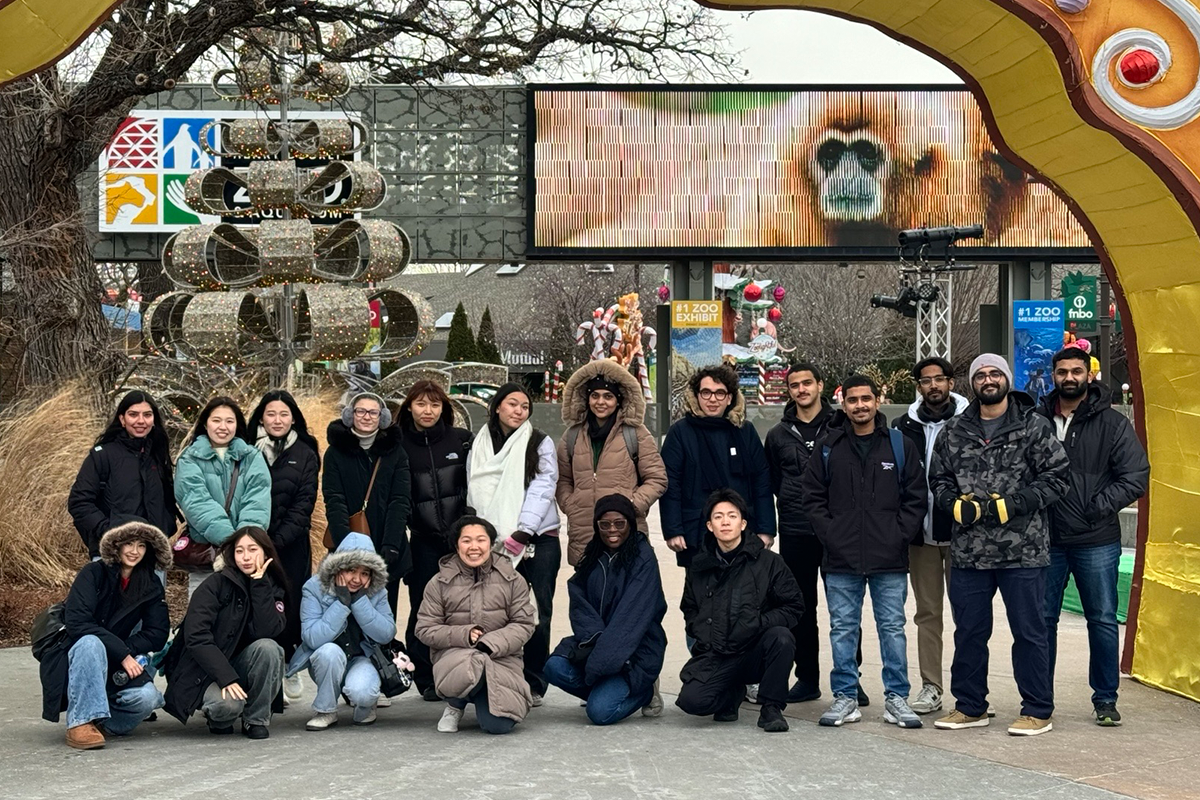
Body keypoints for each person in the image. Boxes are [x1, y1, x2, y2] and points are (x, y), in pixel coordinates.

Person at [929, 354, 1070, 737]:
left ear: (1007, 379)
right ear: (972, 384)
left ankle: (1037, 708)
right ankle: (970, 705)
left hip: (1023, 551)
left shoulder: (1034, 427)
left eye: (995, 373)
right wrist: (952, 504)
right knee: (969, 632)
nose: (988, 380)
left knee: (1029, 631)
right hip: (970, 552)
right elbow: (938, 479)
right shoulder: (953, 430)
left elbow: (1058, 478)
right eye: (980, 375)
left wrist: (1017, 503)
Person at [801, 375, 927, 729]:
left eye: (866, 399)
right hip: (841, 558)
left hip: (889, 558)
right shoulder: (828, 447)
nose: (860, 405)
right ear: (844, 404)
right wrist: (831, 534)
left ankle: (897, 698)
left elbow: (916, 498)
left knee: (892, 628)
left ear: (878, 400)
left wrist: (899, 535)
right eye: (853, 400)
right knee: (842, 628)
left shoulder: (900, 446)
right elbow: (812, 497)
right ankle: (845, 696)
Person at [1037, 347, 1149, 726]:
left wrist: (1095, 506)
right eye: (1063, 371)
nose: (1070, 377)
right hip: (1046, 539)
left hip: (1096, 539)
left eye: (1076, 371)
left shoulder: (1113, 424)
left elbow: (1136, 476)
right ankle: (1039, 698)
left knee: (1101, 619)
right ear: (1053, 375)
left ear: (1090, 375)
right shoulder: (1036, 420)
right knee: (1042, 620)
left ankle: (1105, 699)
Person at [676, 489, 803, 733]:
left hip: (754, 649)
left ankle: (771, 708)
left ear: (743, 524)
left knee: (781, 638)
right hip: (717, 652)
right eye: (718, 517)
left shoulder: (769, 562)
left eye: (732, 516)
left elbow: (793, 606)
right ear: (710, 526)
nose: (725, 522)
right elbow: (689, 608)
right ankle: (732, 693)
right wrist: (702, 632)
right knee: (692, 702)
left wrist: (758, 622)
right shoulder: (699, 567)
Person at [39, 521, 171, 749]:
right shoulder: (93, 573)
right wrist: (122, 653)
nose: (134, 551)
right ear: (116, 545)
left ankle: (102, 723)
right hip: (80, 657)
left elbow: (157, 634)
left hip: (118, 665)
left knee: (148, 699)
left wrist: (124, 651)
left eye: (141, 545)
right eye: (128, 543)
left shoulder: (150, 582)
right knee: (91, 643)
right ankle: (80, 723)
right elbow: (78, 623)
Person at [467, 382, 560, 703]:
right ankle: (499, 676)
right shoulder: (480, 443)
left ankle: (534, 680)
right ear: (496, 407)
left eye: (524, 406)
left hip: (538, 539)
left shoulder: (539, 442)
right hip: (491, 542)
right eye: (512, 404)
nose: (519, 411)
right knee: (495, 612)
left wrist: (523, 531)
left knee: (538, 611)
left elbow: (544, 486)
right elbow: (475, 487)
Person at [544, 494, 668, 725]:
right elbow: (579, 602)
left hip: (634, 651)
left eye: (620, 523)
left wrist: (596, 667)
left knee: (600, 713)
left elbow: (629, 622)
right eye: (605, 524)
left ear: (630, 523)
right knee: (553, 667)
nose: (613, 530)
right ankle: (604, 689)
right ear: (596, 526)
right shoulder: (594, 554)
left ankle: (645, 692)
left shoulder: (643, 558)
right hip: (596, 645)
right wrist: (594, 641)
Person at [892, 356, 970, 715]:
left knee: (969, 614)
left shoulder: (971, 421)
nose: (933, 386)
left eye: (940, 379)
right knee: (927, 614)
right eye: (926, 381)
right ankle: (931, 687)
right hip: (919, 536)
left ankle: (972, 689)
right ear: (919, 387)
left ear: (951, 383)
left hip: (963, 535)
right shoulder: (901, 426)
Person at [765, 361, 845, 705]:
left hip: (838, 531)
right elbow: (771, 482)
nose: (801, 389)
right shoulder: (778, 434)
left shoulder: (841, 426)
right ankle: (807, 678)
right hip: (796, 532)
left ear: (820, 385)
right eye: (795, 385)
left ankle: (848, 681)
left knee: (844, 609)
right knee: (801, 608)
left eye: (807, 383)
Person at [162, 527, 288, 739]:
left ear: (266, 553)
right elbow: (197, 638)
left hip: (240, 663)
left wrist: (259, 584)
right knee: (228, 707)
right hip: (204, 671)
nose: (246, 557)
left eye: (252, 549)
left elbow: (267, 631)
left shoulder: (271, 587)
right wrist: (226, 678)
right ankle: (219, 717)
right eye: (240, 551)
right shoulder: (214, 584)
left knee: (269, 648)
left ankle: (255, 719)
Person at [416, 515, 537, 735]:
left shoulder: (512, 579)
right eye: (466, 541)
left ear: (491, 544)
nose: (474, 547)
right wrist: (465, 634)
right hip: (455, 657)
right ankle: (455, 704)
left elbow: (524, 623)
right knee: (469, 666)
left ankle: (476, 696)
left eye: (481, 540)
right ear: (456, 545)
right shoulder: (439, 582)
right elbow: (425, 628)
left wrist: (489, 643)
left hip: (501, 657)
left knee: (497, 726)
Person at [397, 380, 474, 702]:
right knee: (424, 610)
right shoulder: (397, 443)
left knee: (464, 610)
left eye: (434, 405)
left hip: (461, 542)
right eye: (420, 404)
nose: (427, 411)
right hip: (423, 540)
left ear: (444, 408)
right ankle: (425, 678)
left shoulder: (462, 440)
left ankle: (462, 673)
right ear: (409, 407)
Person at [245, 389, 320, 703]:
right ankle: (262, 669)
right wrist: (253, 542)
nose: (277, 420)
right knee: (255, 604)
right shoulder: (247, 449)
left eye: (283, 414)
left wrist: (272, 545)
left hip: (290, 546)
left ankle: (290, 663)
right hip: (250, 543)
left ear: (293, 419)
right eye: (271, 414)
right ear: (261, 416)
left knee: (290, 606)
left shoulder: (305, 452)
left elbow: (304, 505)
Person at [661, 364, 775, 568]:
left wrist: (766, 529)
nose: (712, 399)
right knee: (700, 595)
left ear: (730, 398)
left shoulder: (744, 431)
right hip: (696, 531)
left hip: (743, 530)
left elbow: (762, 480)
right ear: (696, 396)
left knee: (745, 595)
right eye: (706, 393)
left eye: (720, 393)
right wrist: (673, 530)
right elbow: (670, 483)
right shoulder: (680, 432)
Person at [556, 359, 668, 567]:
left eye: (608, 396)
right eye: (595, 395)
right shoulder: (571, 436)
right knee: (588, 594)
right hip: (584, 529)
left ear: (619, 400)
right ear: (586, 399)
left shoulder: (635, 434)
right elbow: (563, 478)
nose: (601, 402)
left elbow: (656, 478)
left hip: (625, 527)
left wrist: (632, 505)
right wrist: (570, 504)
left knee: (628, 593)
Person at [287, 532, 397, 730]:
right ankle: (326, 710)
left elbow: (386, 633)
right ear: (338, 569)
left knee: (363, 693)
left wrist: (360, 602)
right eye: (351, 570)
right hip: (326, 659)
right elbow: (312, 638)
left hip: (362, 658)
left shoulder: (376, 591)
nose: (357, 579)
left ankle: (366, 705)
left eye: (364, 573)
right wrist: (341, 604)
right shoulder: (313, 588)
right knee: (329, 651)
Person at [322, 391, 412, 615]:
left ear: (382, 417)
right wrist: (346, 545)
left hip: (386, 540)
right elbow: (334, 498)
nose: (366, 416)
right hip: (347, 539)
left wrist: (391, 544)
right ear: (350, 415)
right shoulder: (335, 452)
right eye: (360, 411)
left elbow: (399, 500)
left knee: (382, 610)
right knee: (345, 606)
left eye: (373, 412)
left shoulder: (396, 453)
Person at [174, 396, 272, 594]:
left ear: (237, 425)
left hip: (245, 560)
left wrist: (243, 547)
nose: (223, 427)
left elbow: (257, 501)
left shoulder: (251, 457)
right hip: (207, 557)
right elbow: (197, 503)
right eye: (216, 420)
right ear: (205, 423)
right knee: (202, 618)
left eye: (229, 421)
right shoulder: (189, 458)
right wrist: (232, 544)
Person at [69, 390, 177, 560]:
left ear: (154, 419)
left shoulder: (158, 457)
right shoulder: (102, 456)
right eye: (133, 414)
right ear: (122, 419)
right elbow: (79, 502)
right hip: (110, 553)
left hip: (151, 554)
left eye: (147, 415)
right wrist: (110, 531)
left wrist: (164, 528)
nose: (141, 421)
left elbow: (168, 501)